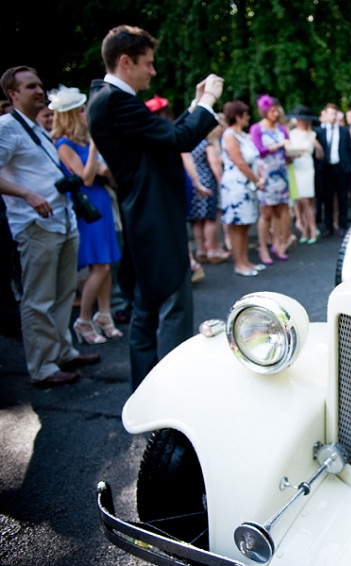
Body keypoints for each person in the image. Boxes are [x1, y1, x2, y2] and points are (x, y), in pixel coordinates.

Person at [87, 25, 221, 391]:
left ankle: (145, 390)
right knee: (174, 305)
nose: (153, 72)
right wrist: (209, 100)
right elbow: (177, 139)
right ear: (126, 62)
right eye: (148, 63)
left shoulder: (104, 97)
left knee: (146, 311)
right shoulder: (116, 101)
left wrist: (194, 106)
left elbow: (160, 137)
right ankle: (170, 394)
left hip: (143, 213)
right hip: (154, 214)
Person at [1, 65, 100, 387]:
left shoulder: (40, 129)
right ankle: (42, 367)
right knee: (38, 299)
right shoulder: (7, 127)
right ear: (12, 94)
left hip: (62, 220)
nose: (39, 91)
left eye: (40, 85)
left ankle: (62, 352)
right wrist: (26, 194)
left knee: (61, 295)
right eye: (31, 86)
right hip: (35, 224)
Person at [50, 85, 122, 345]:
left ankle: (104, 315)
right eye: (81, 111)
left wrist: (106, 168)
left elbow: (109, 177)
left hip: (103, 203)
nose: (85, 114)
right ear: (70, 114)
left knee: (107, 263)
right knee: (99, 265)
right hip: (87, 209)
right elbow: (86, 178)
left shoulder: (82, 141)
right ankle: (83, 319)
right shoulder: (63, 144)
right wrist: (94, 150)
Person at [221, 100, 265, 276]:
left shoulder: (244, 136)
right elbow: (239, 161)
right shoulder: (229, 135)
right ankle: (239, 264)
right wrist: (256, 180)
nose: (248, 117)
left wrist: (259, 177)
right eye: (245, 114)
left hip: (248, 186)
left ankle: (246, 260)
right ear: (238, 116)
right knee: (237, 226)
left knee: (245, 225)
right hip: (236, 187)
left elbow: (254, 159)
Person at [249, 95, 293, 263]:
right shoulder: (257, 129)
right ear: (264, 111)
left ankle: (279, 243)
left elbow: (286, 150)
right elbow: (258, 150)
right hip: (266, 175)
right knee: (266, 212)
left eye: (277, 110)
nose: (276, 114)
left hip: (282, 173)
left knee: (281, 210)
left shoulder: (282, 129)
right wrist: (279, 145)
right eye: (272, 110)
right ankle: (263, 247)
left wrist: (291, 154)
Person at [187, 118, 229, 265]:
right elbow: (215, 166)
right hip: (209, 183)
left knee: (198, 219)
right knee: (211, 217)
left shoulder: (191, 144)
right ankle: (213, 250)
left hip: (194, 183)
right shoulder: (207, 145)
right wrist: (222, 182)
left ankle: (201, 250)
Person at [316, 103, 351, 235]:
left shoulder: (344, 131)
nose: (332, 117)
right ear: (325, 115)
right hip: (326, 169)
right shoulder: (319, 132)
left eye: (334, 114)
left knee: (343, 198)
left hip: (341, 168)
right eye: (330, 114)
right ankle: (329, 226)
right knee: (328, 199)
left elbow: (350, 149)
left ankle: (342, 225)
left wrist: (348, 166)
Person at [287, 105, 322, 243]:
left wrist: (317, 146)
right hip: (295, 167)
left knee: (306, 200)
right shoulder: (291, 134)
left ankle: (312, 229)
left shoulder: (311, 134)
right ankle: (305, 230)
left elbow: (318, 154)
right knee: (299, 200)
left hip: (307, 167)